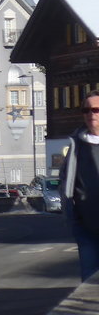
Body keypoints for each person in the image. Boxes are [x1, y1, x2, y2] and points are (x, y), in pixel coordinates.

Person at [62, 91, 99, 281]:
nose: (91, 114)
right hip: (86, 227)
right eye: (87, 110)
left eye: (96, 110)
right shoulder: (77, 145)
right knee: (89, 279)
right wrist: (72, 218)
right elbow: (67, 180)